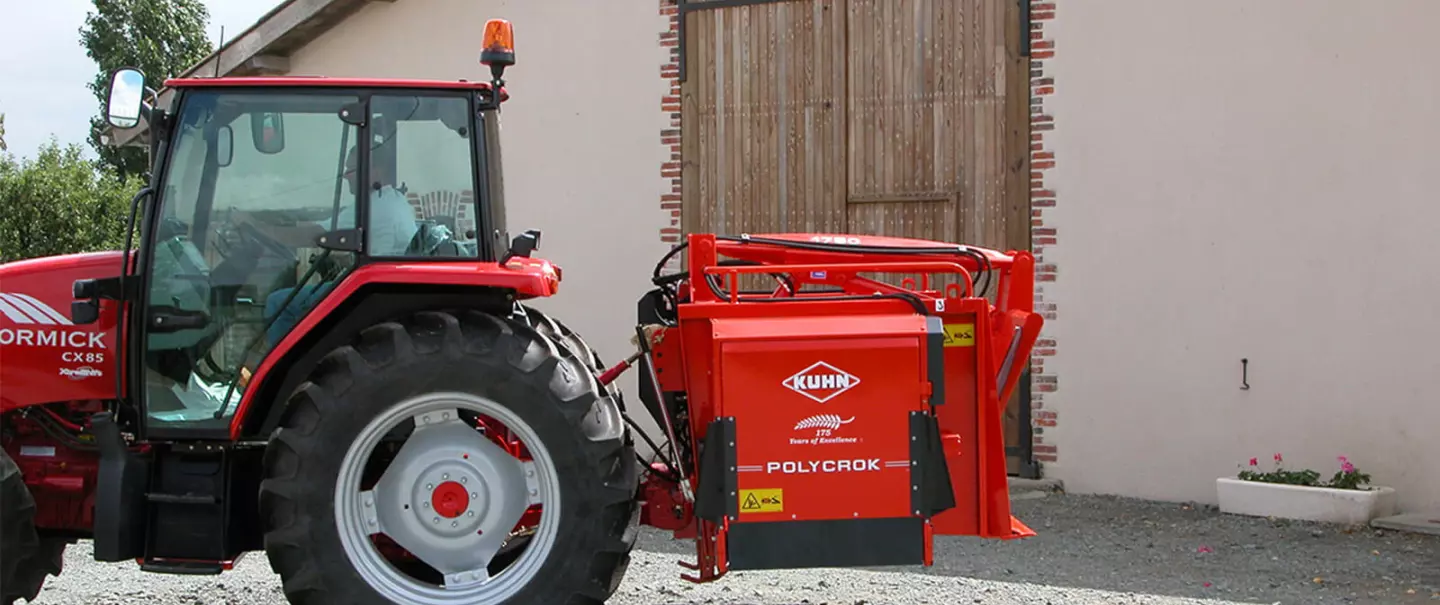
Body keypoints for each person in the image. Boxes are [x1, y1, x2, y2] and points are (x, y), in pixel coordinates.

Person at [263, 143, 418, 347]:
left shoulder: (373, 207)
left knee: (278, 303)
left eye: (351, 169)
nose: (346, 176)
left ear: (376, 170)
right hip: (383, 285)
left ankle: (288, 371)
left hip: (371, 292)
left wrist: (260, 229)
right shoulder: (394, 200)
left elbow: (313, 235)